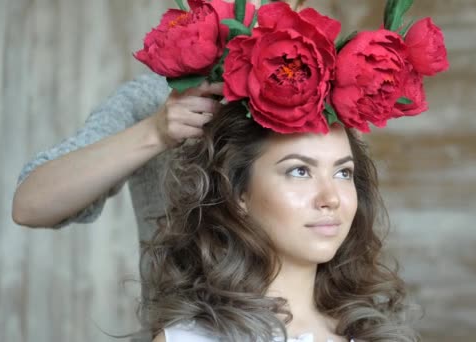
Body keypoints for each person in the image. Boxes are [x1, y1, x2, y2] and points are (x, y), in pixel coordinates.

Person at [143, 102, 416, 342]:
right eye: (300, 171)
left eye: (343, 173)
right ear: (238, 193)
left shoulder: (377, 334)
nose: (331, 198)